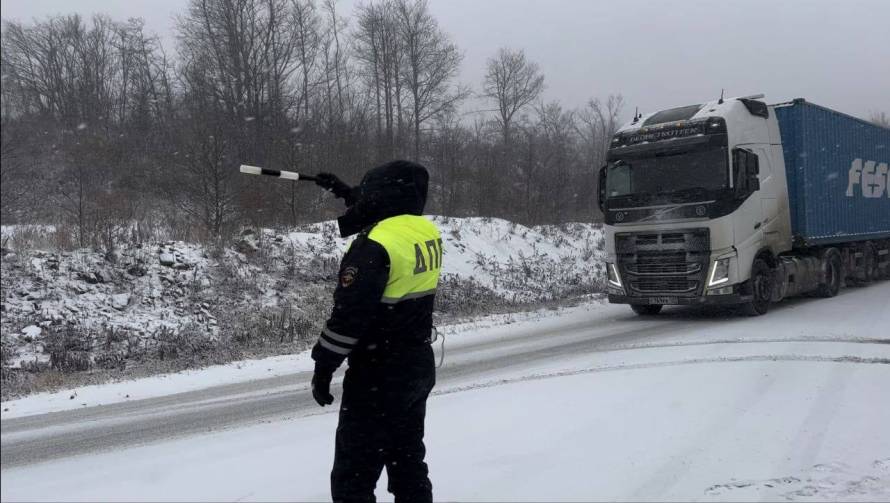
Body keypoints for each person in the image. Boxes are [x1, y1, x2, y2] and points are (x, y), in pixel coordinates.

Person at [311, 160, 442, 503]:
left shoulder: (374, 246)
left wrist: (323, 367)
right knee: (408, 463)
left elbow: (348, 319)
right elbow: (386, 209)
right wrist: (344, 192)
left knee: (352, 479)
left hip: (378, 375)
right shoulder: (424, 231)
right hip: (416, 366)